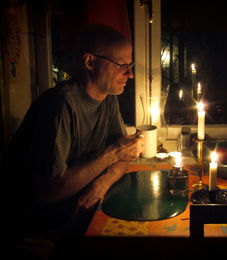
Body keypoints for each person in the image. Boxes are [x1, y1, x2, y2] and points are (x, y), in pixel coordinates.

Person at [3, 24, 144, 240]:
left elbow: (122, 158)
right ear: (90, 62)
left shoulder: (107, 98)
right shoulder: (58, 106)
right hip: (37, 229)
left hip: (77, 216)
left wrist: (101, 183)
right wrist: (112, 153)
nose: (130, 74)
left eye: (130, 64)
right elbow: (49, 191)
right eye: (121, 65)